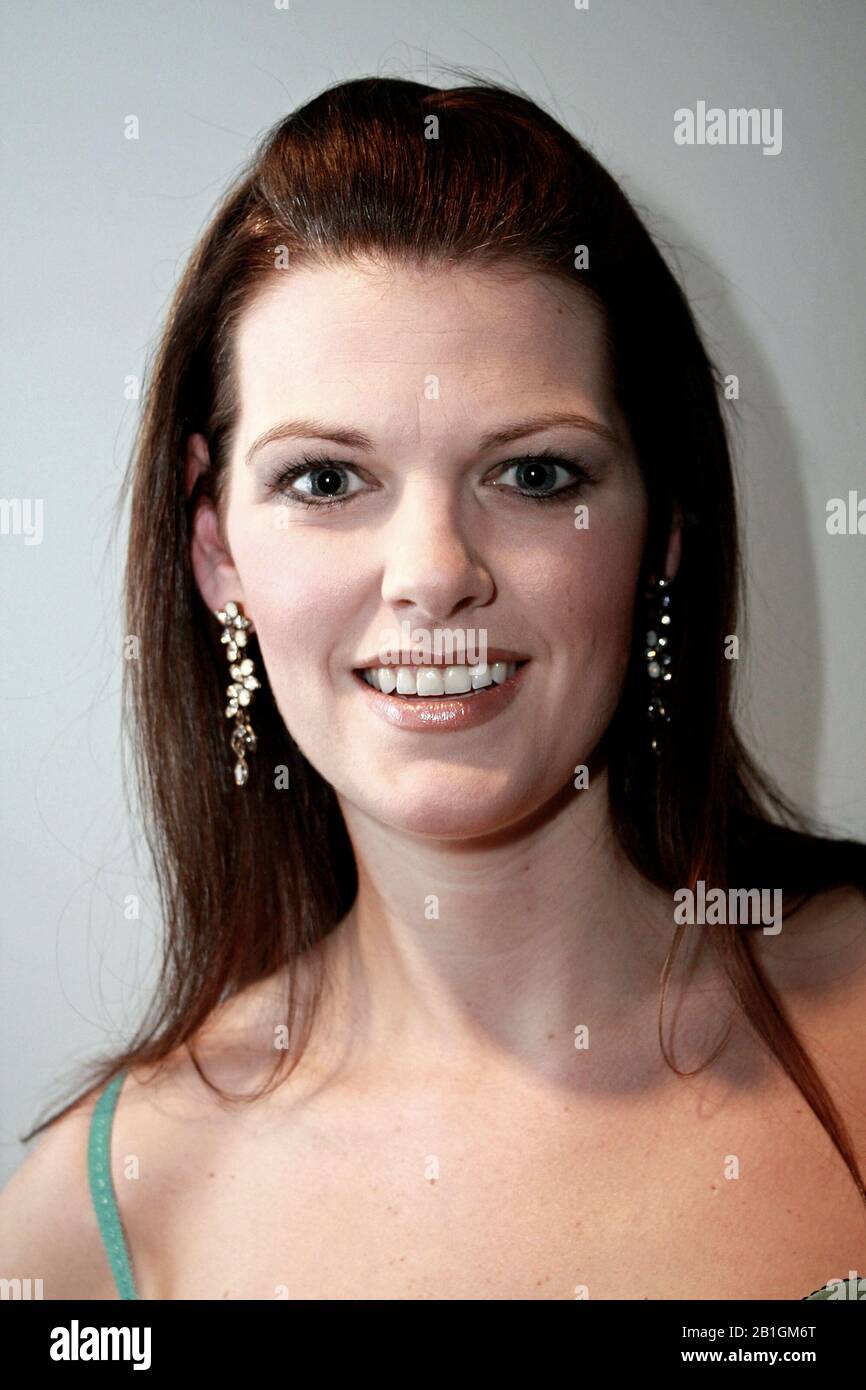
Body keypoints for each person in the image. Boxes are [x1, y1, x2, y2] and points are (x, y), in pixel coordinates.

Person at [2, 73, 864, 1301]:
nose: (433, 575)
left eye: (531, 474)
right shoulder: (91, 1237)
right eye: (323, 481)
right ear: (214, 549)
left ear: (661, 527)